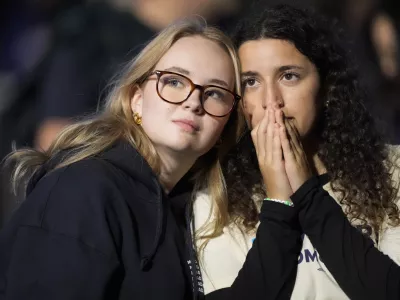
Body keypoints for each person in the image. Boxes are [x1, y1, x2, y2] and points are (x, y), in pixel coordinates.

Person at [0, 18, 306, 300]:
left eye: (215, 93)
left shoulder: (183, 210)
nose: (193, 101)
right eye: (174, 81)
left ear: (226, 124)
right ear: (136, 98)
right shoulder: (82, 189)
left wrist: (280, 200)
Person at [193, 5, 400, 299]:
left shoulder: (392, 171)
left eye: (288, 76)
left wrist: (306, 191)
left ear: (326, 86)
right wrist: (279, 199)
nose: (270, 101)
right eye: (251, 82)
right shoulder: (215, 197)